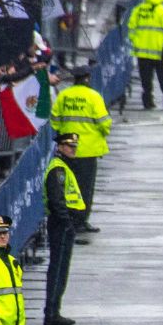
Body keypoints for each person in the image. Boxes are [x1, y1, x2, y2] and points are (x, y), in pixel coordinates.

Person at [49, 67, 110, 231]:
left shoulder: (64, 96)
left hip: (66, 149)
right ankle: (81, 220)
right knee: (85, 188)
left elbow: (54, 120)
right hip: (87, 149)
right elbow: (104, 122)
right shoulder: (93, 96)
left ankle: (68, 217)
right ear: (87, 79)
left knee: (67, 186)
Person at [41, 133, 86, 325]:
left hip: (65, 224)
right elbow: (56, 199)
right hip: (61, 224)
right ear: (59, 147)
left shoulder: (64, 167)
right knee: (58, 268)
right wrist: (67, 223)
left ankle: (54, 310)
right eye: (69, 146)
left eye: (74, 146)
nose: (73, 149)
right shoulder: (58, 169)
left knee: (62, 268)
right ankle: (51, 312)